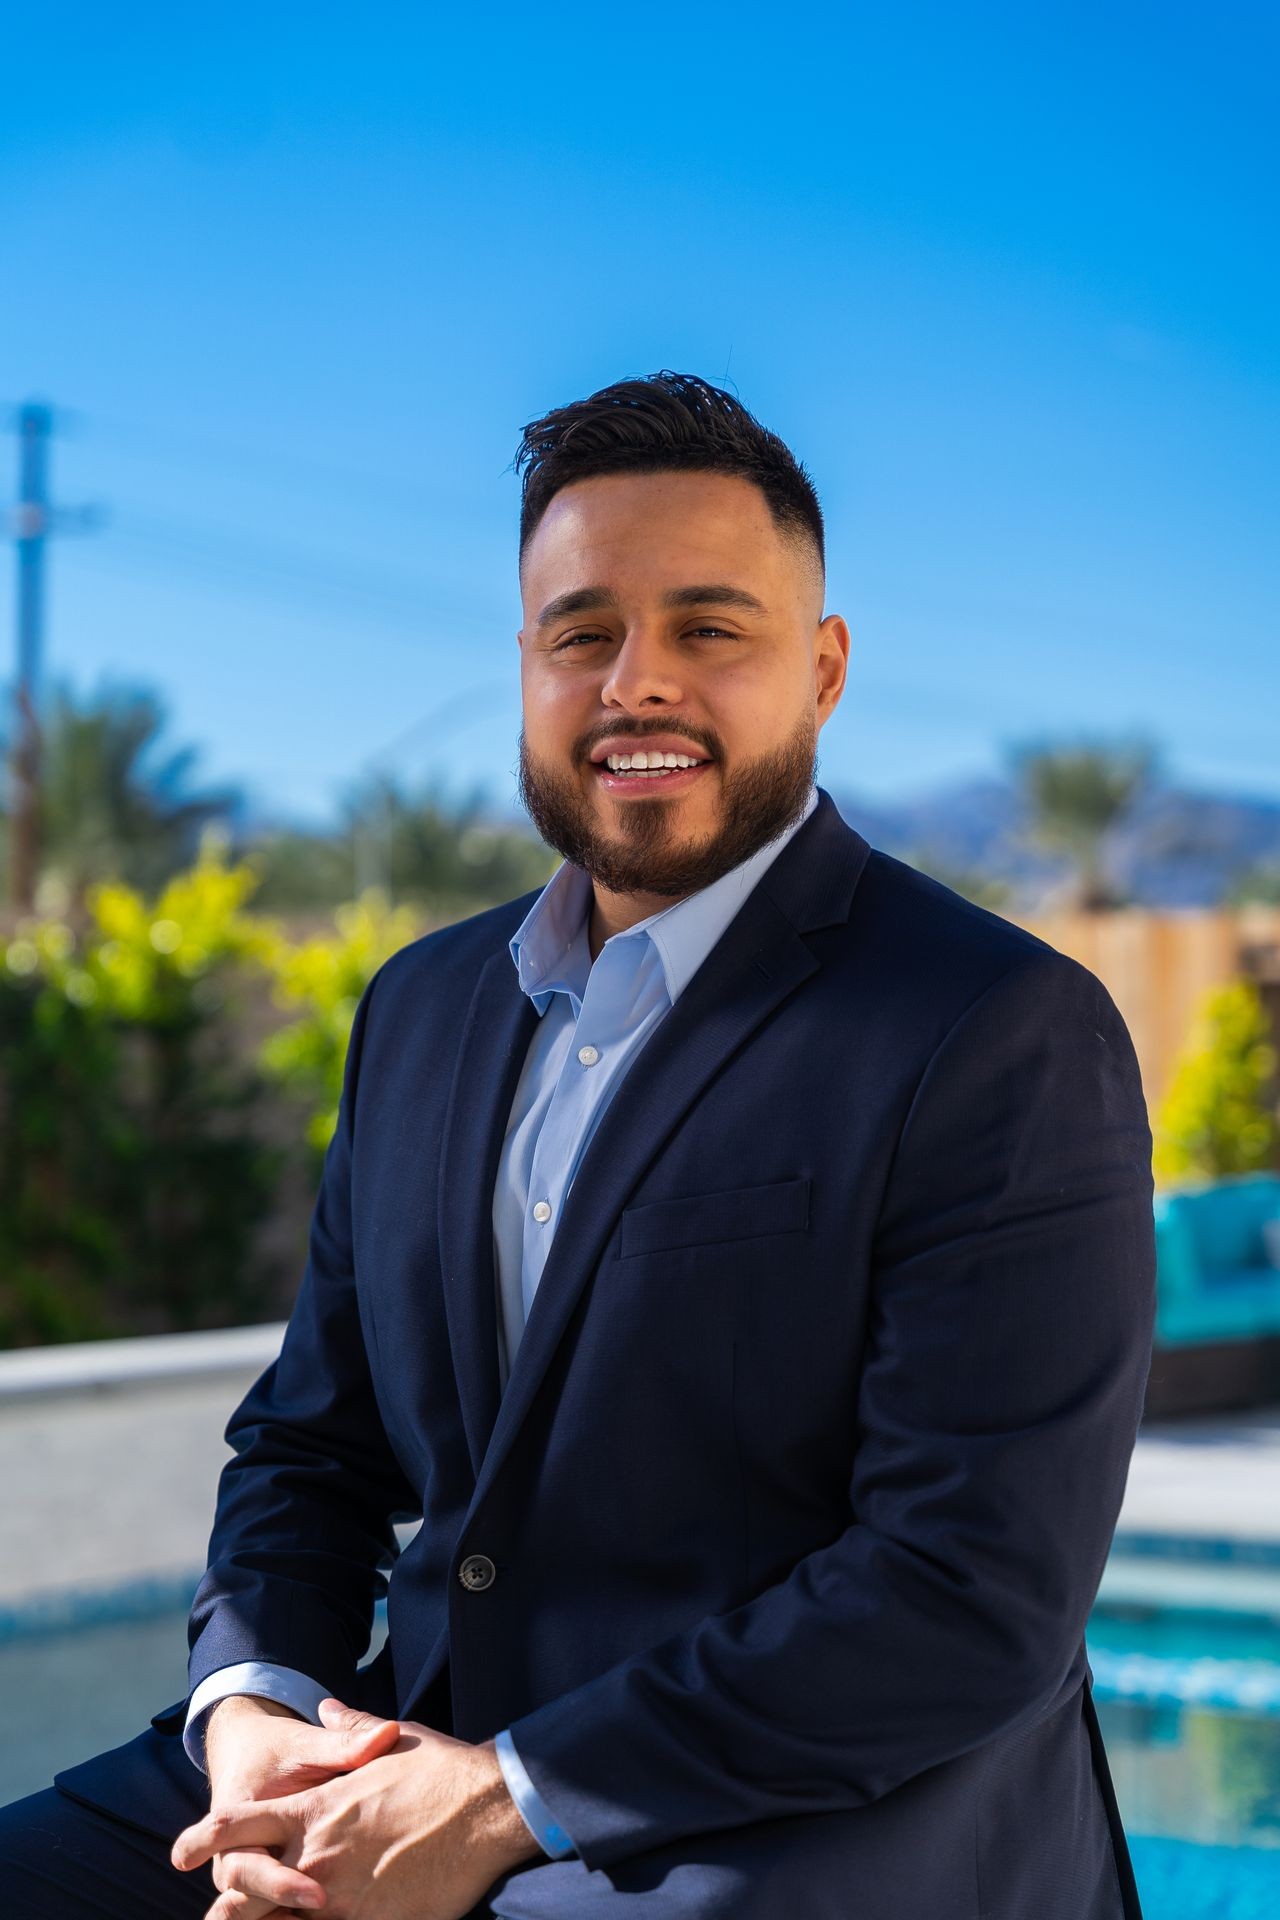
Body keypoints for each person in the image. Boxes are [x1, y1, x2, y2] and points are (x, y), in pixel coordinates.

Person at [0, 370, 1155, 1919]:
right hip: (398, 1737)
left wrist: (502, 1801)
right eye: (582, 632)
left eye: (709, 628)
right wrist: (259, 1712)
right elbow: (308, 1446)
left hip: (779, 1814)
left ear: (821, 672)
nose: (637, 683)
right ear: (528, 666)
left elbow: (964, 1591)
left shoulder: (1001, 1027)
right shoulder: (418, 1007)